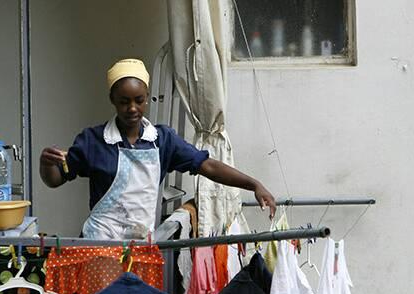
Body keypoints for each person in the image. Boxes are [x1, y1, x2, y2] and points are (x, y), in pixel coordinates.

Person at [40, 58, 276, 240]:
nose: (132, 108)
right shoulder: (94, 140)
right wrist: (46, 164)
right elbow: (55, 179)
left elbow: (208, 166)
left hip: (141, 247)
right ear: (112, 99)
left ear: (147, 97)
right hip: (99, 245)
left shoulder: (162, 141)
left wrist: (253, 184)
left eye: (139, 100)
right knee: (109, 292)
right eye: (124, 102)